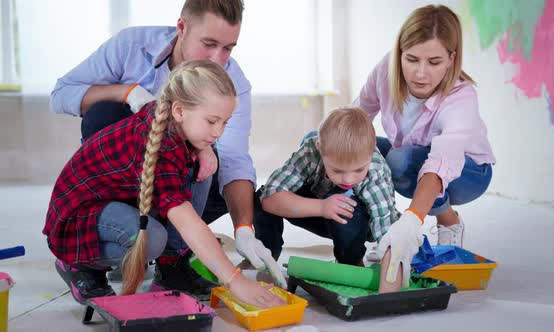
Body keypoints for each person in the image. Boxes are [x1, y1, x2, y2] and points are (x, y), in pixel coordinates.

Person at [49, 0, 285, 290]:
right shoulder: (131, 45)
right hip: (106, 192)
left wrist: (244, 230)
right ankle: (83, 261)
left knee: (209, 163)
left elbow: (235, 159)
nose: (216, 59)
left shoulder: (230, 84)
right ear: (182, 28)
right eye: (208, 43)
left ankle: (173, 263)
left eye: (228, 48)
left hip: (158, 174)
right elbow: (61, 93)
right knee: (153, 237)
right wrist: (128, 92)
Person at [355, 4, 495, 256]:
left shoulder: (461, 97)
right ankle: (385, 228)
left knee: (399, 161)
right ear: (399, 53)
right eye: (411, 59)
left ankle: (447, 219)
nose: (421, 73)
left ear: (451, 59)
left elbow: (441, 162)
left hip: (469, 173)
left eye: (434, 62)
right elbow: (357, 117)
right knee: (348, 145)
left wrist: (411, 222)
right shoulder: (386, 69)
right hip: (409, 156)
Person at [254, 108, 420, 292]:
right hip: (319, 209)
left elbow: (387, 231)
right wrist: (322, 207)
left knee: (343, 202)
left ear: (371, 151)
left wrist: (390, 287)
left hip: (359, 223)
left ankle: (350, 260)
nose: (348, 180)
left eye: (358, 170)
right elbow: (269, 197)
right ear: (320, 148)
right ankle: (266, 256)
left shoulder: (376, 169)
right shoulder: (310, 152)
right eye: (338, 171)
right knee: (260, 196)